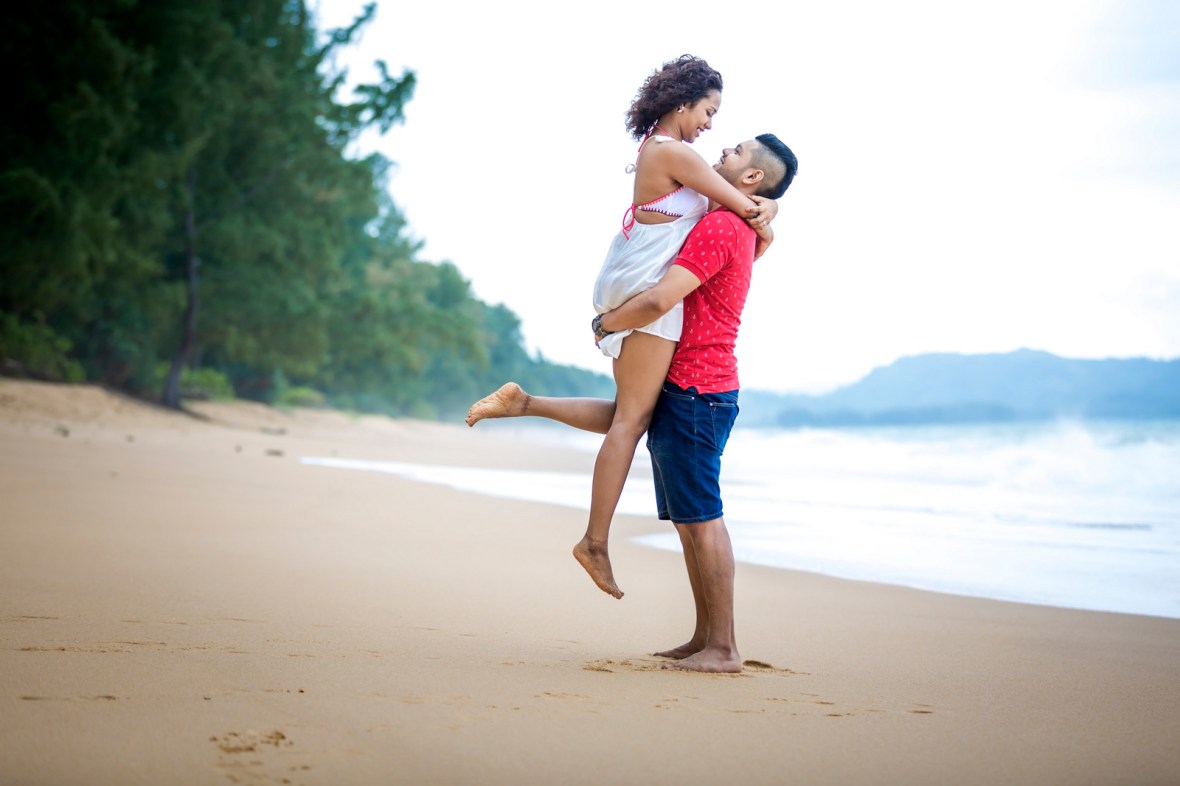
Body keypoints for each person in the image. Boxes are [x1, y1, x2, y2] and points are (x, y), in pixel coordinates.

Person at [469, 133, 799, 672]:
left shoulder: (720, 227)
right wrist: (769, 212)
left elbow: (660, 298)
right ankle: (705, 637)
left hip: (699, 390)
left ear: (753, 178)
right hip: (692, 387)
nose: (722, 150)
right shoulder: (731, 222)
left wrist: (607, 323)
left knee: (704, 521)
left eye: (736, 151)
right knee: (688, 521)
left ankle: (724, 647)